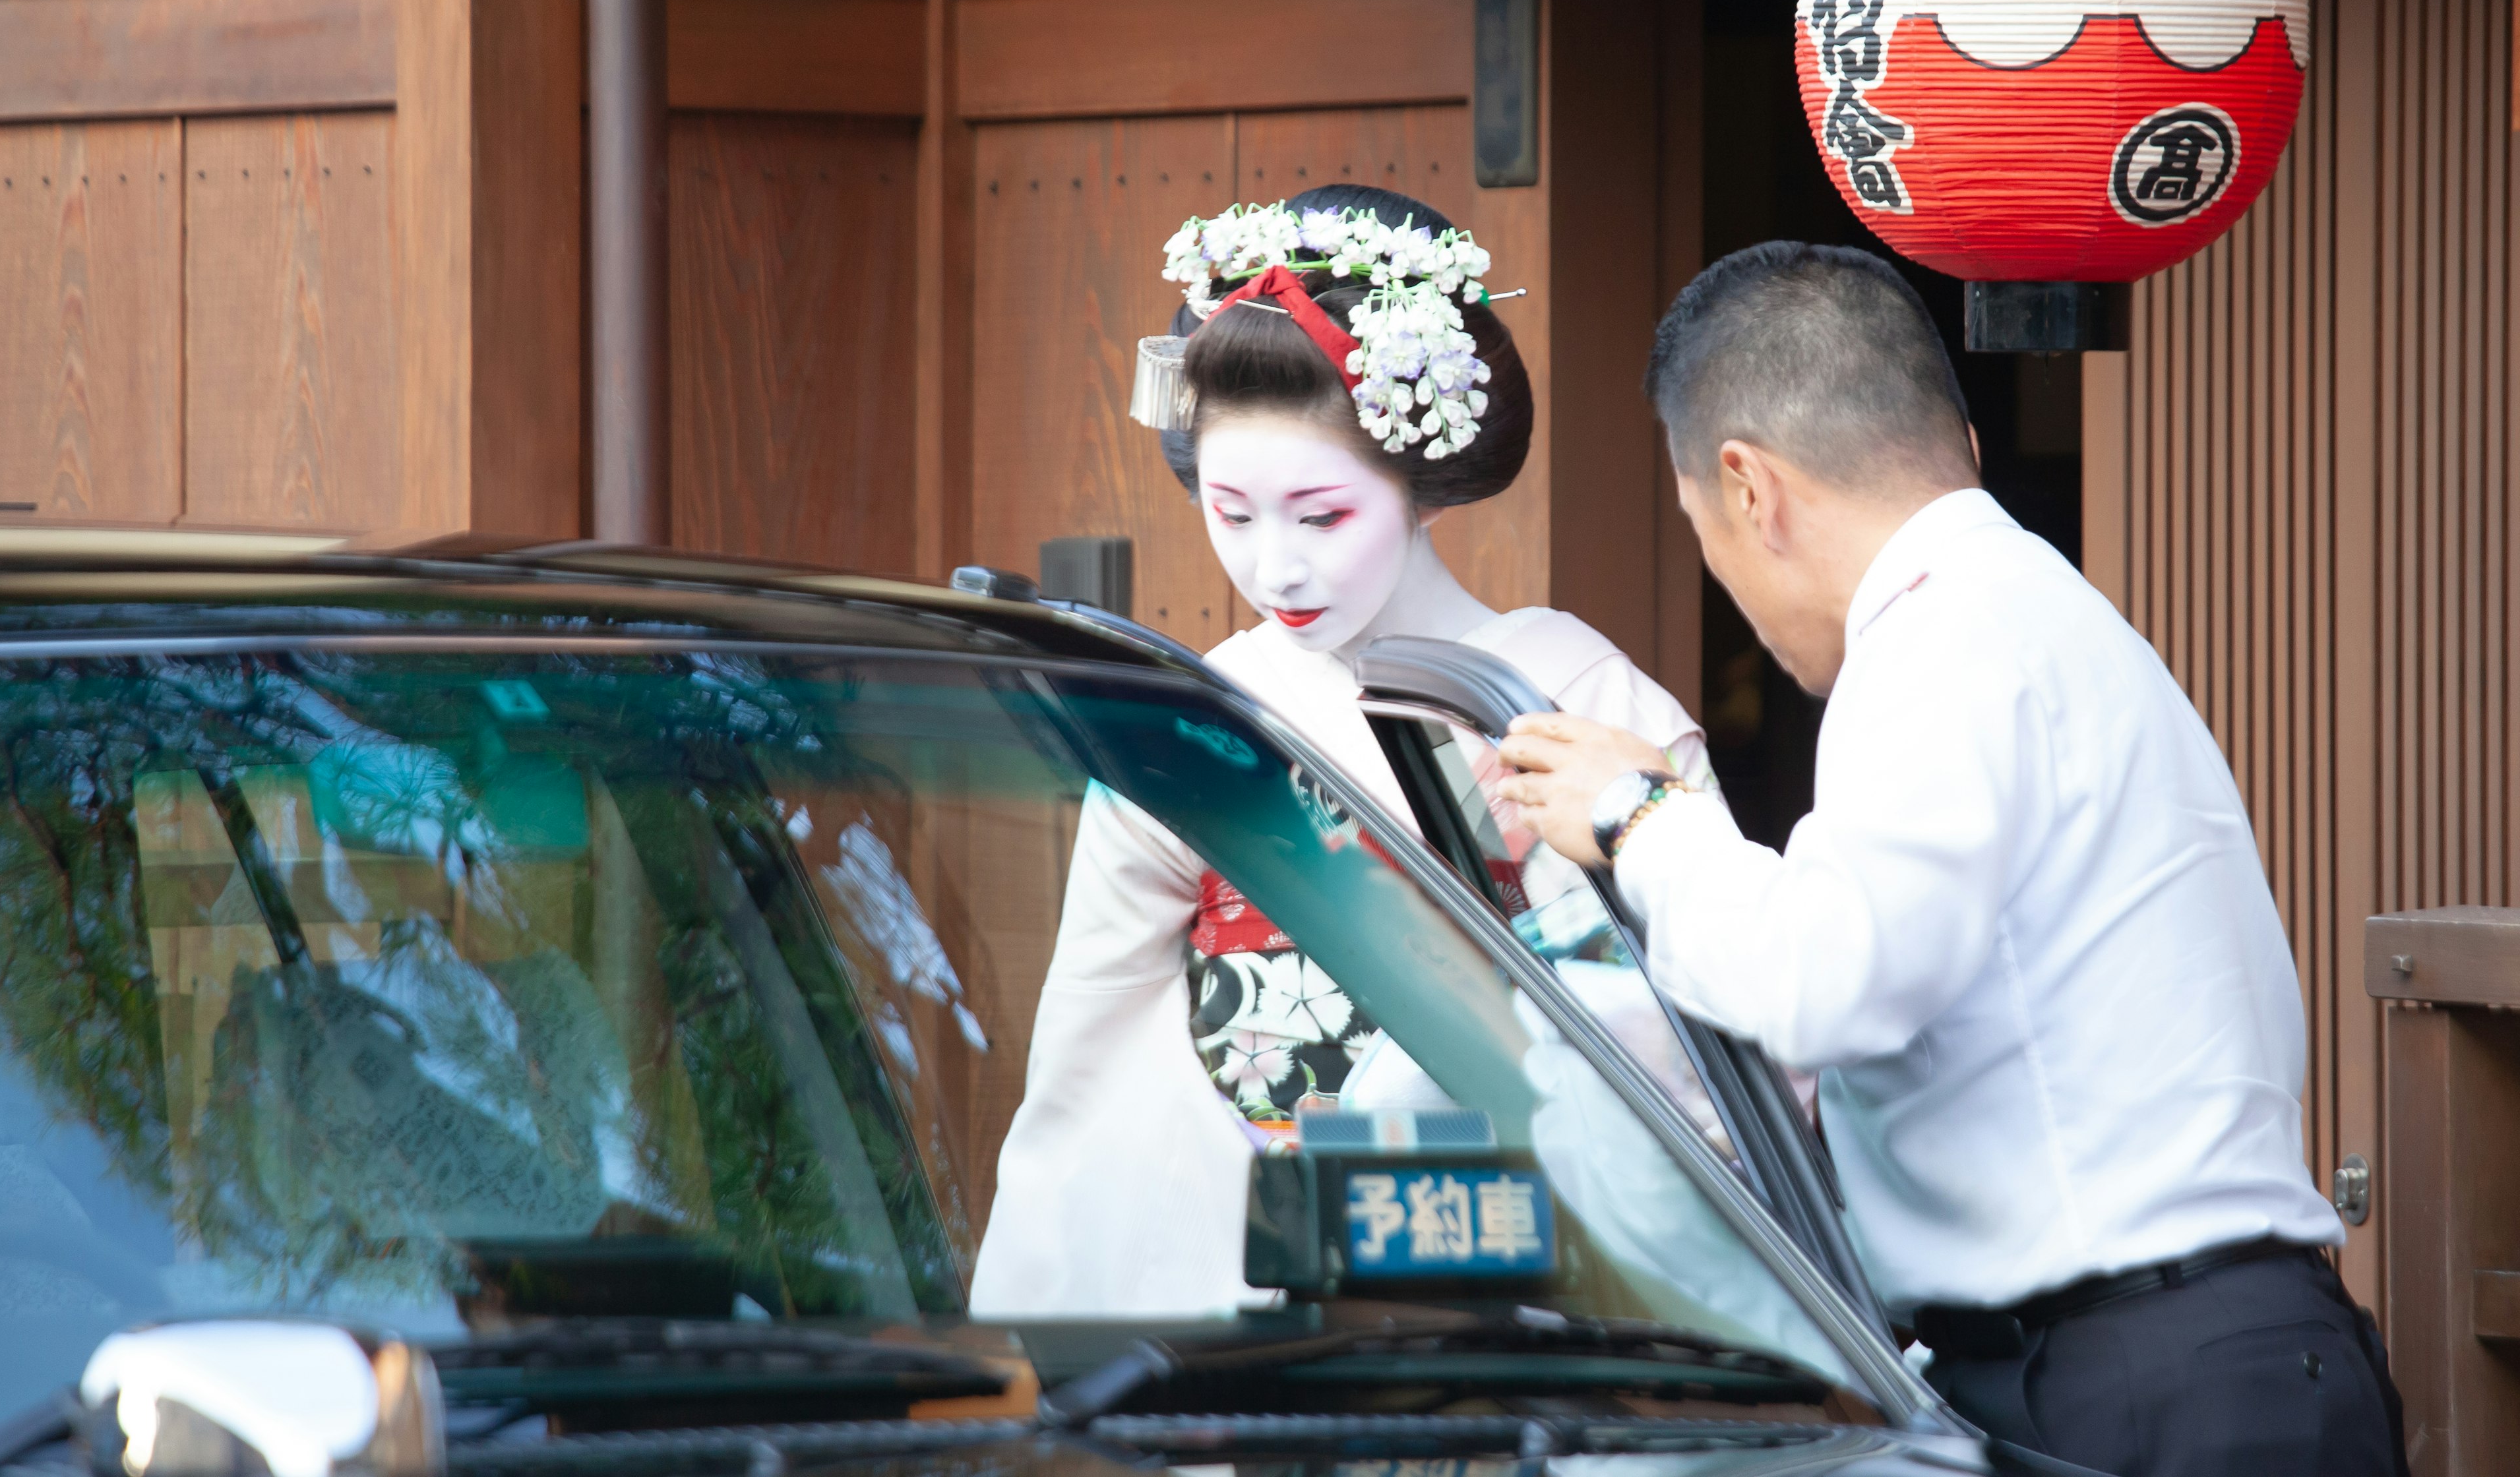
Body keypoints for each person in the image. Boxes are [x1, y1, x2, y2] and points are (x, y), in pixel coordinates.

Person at [1492, 241, 2405, 1475]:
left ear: (1749, 490)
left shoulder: (1938, 644)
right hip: (2201, 1357)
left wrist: (1636, 814)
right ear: (1962, 443)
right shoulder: (2027, 608)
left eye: (1702, 529)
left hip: (2143, 1383)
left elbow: (1826, 981)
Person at [968, 185, 1711, 1318]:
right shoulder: (1197, 710)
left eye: (1321, 517)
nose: (1276, 571)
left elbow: (1685, 1029)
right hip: (1232, 1235)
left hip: (1507, 1245)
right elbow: (1094, 1036)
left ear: (1418, 480)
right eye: (1232, 513)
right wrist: (1043, 1299)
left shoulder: (1567, 692)